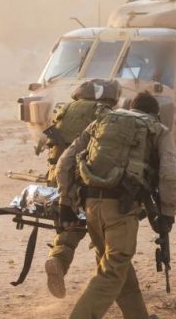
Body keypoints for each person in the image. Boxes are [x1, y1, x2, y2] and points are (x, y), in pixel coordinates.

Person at [55, 92, 176, 319]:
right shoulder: (158, 129)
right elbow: (170, 175)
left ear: (132, 107)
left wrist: (65, 202)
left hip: (91, 205)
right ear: (155, 113)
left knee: (119, 267)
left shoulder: (102, 121)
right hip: (121, 209)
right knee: (113, 269)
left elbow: (65, 161)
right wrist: (167, 213)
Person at [42, 79, 121, 299]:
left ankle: (58, 260)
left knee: (70, 225)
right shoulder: (103, 112)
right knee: (105, 227)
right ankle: (106, 280)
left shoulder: (65, 109)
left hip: (56, 177)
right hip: (83, 178)